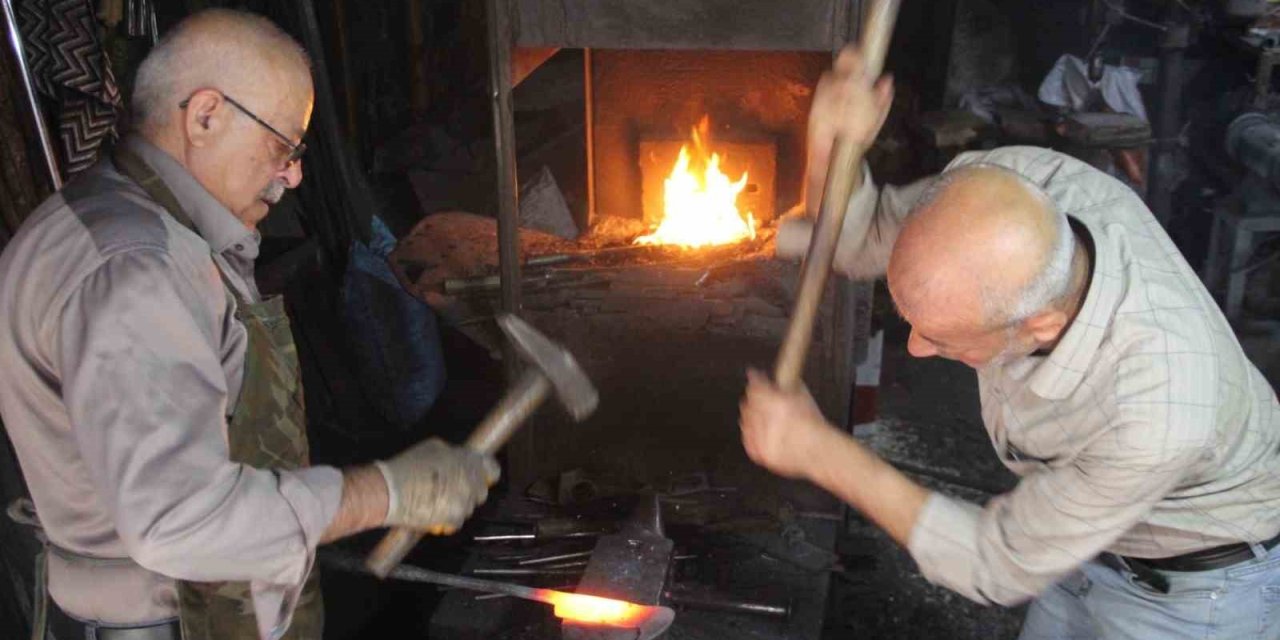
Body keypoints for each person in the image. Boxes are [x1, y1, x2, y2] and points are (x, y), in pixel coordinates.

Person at [742, 47, 1280, 639]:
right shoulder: (1011, 187)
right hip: (1080, 549)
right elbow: (858, 239)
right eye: (913, 323)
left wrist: (821, 451)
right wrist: (832, 151)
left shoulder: (1159, 407)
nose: (916, 349)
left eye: (943, 336)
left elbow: (995, 563)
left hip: (1191, 590)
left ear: (1039, 326)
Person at [0, 10, 497, 640]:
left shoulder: (113, 216)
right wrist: (385, 493)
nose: (292, 174)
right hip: (170, 623)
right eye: (283, 145)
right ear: (205, 115)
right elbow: (181, 521)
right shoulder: (137, 273)